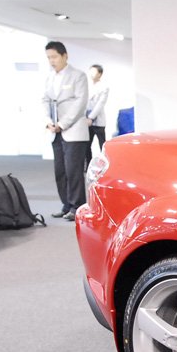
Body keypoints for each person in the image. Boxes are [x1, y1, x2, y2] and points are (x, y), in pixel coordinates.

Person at [41, 41, 89, 221]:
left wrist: (62, 124)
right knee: (60, 171)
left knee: (73, 171)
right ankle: (66, 204)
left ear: (64, 56)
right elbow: (44, 100)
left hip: (73, 131)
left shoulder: (78, 76)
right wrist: (48, 121)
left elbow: (80, 103)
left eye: (54, 57)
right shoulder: (49, 77)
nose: (51, 61)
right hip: (55, 131)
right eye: (48, 58)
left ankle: (77, 207)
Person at [85, 64, 109, 170]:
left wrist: (91, 117)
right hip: (86, 121)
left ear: (100, 74)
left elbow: (100, 104)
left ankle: (104, 167)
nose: (91, 74)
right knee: (86, 145)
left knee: (102, 145)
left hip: (98, 121)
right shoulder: (87, 86)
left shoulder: (104, 87)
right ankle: (89, 166)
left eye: (94, 72)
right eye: (90, 71)